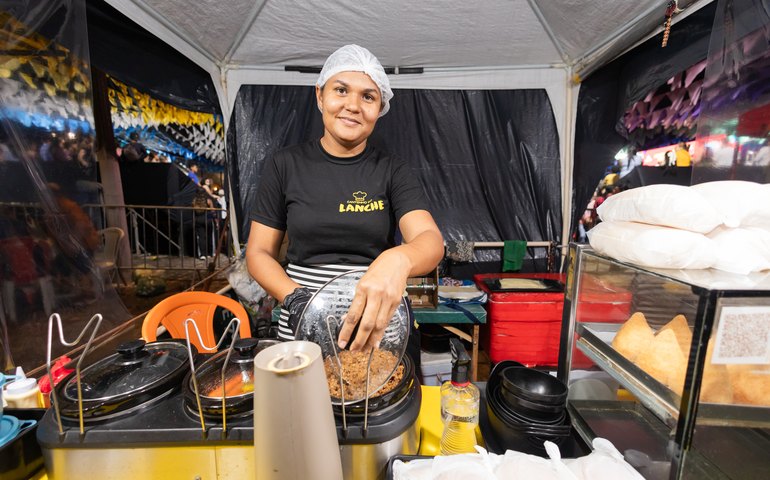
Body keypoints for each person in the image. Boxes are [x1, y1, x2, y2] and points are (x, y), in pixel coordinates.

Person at [246, 44, 444, 352]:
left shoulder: (393, 170)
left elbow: (430, 241)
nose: (353, 105)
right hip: (303, 324)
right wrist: (298, 300)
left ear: (379, 109)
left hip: (377, 328)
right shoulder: (285, 165)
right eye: (341, 90)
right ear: (320, 96)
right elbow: (258, 253)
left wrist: (399, 257)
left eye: (368, 96)